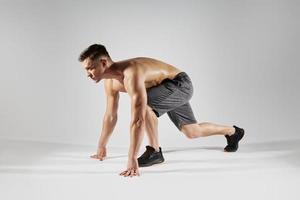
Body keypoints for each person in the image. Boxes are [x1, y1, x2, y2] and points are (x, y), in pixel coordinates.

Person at [78, 44, 245, 177]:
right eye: (86, 69)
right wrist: (101, 146)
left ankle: (154, 151)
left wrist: (131, 158)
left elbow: (138, 120)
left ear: (103, 63)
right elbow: (110, 115)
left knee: (145, 108)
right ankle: (233, 132)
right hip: (164, 89)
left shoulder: (131, 73)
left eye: (90, 68)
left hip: (179, 84)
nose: (88, 74)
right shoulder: (110, 82)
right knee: (192, 132)